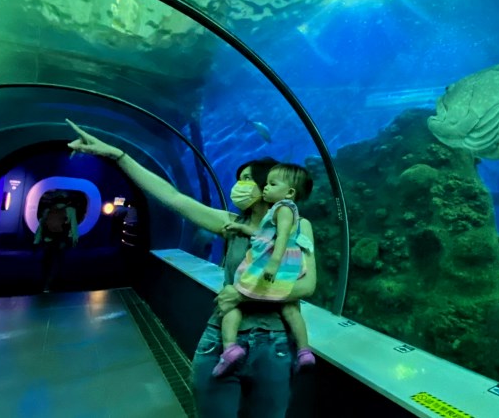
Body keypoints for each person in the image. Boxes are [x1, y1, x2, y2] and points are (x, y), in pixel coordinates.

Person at [65, 119, 316, 418]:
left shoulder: (299, 227)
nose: (240, 185)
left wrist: (243, 296)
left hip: (274, 343)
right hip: (222, 339)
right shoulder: (230, 224)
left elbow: (306, 285)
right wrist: (117, 154)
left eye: (248, 178)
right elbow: (174, 197)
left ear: (268, 187)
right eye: (240, 178)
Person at [213, 163, 316, 377]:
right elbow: (263, 235)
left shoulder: (283, 209)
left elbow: (281, 238)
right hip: (288, 266)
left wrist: (273, 262)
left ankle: (230, 349)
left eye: (271, 184)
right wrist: (242, 228)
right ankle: (304, 351)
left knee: (233, 297)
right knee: (290, 308)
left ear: (289, 192)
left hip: (273, 263)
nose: (266, 188)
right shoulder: (282, 211)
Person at [34, 190, 79, 293]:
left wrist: (36, 241)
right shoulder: (71, 210)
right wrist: (74, 239)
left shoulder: (47, 210)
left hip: (47, 240)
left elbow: (41, 227)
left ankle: (45, 282)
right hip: (61, 241)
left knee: (47, 262)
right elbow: (74, 227)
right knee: (57, 262)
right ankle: (49, 285)